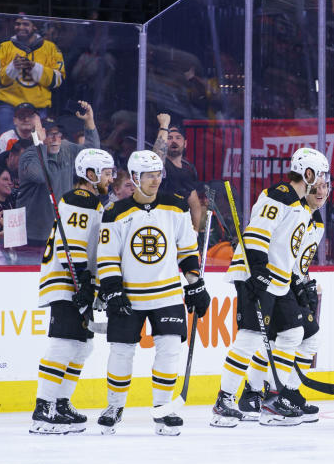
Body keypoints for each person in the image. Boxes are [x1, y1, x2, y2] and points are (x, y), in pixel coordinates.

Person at [211, 148, 329, 427]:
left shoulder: (301, 206)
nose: (323, 182)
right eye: (320, 175)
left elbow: (287, 249)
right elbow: (257, 233)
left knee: (292, 333)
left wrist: (297, 283)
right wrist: (258, 271)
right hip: (256, 276)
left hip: (278, 281)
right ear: (308, 173)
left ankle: (275, 398)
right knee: (250, 337)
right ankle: (224, 400)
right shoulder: (280, 195)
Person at [94, 150, 208, 436]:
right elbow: (107, 258)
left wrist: (195, 284)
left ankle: (162, 409)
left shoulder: (177, 207)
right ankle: (114, 406)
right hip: (129, 297)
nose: (156, 180)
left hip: (167, 295)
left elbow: (187, 250)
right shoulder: (115, 213)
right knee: (121, 352)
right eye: (149, 175)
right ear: (134, 177)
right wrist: (113, 292)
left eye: (158, 174)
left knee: (169, 350)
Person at [29, 148, 113, 433]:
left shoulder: (92, 202)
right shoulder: (81, 199)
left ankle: (61, 403)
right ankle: (44, 409)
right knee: (64, 343)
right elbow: (73, 246)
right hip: (67, 282)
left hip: (76, 283)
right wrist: (84, 284)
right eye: (106, 172)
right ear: (90, 175)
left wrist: (92, 287)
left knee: (82, 346)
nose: (111, 178)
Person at [18, 105, 100, 249]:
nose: (56, 138)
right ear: (41, 134)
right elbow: (39, 176)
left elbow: (91, 153)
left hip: (61, 232)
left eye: (58, 133)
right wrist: (40, 144)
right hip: (32, 236)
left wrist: (89, 122)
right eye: (50, 134)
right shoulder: (29, 155)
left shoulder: (66, 149)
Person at [0, 16, 65, 134]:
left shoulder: (51, 48)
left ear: (34, 26)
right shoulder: (4, 47)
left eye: (25, 24)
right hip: (8, 106)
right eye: (18, 24)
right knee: (5, 145)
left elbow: (57, 80)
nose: (20, 27)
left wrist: (34, 67)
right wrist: (12, 67)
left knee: (37, 146)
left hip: (38, 108)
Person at [153, 115, 203, 231]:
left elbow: (195, 205)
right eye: (169, 137)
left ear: (185, 143)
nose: (174, 141)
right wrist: (164, 126)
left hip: (179, 226)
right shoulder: (161, 165)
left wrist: (194, 232)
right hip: (159, 224)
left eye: (178, 137)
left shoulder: (188, 170)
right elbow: (156, 159)